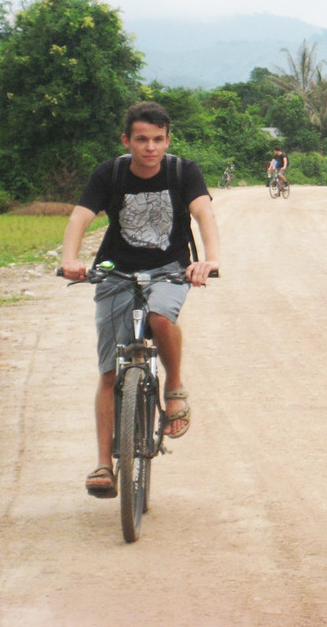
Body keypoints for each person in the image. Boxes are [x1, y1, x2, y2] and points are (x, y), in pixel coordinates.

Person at [61, 101, 221, 499]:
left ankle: (175, 389)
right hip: (115, 271)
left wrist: (210, 259)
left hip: (170, 268)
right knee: (110, 372)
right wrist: (69, 260)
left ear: (168, 139)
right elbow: (80, 217)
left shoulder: (183, 171)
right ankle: (103, 464)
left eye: (157, 139)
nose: (150, 147)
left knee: (161, 318)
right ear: (127, 140)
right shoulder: (110, 173)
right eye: (141, 140)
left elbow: (203, 214)